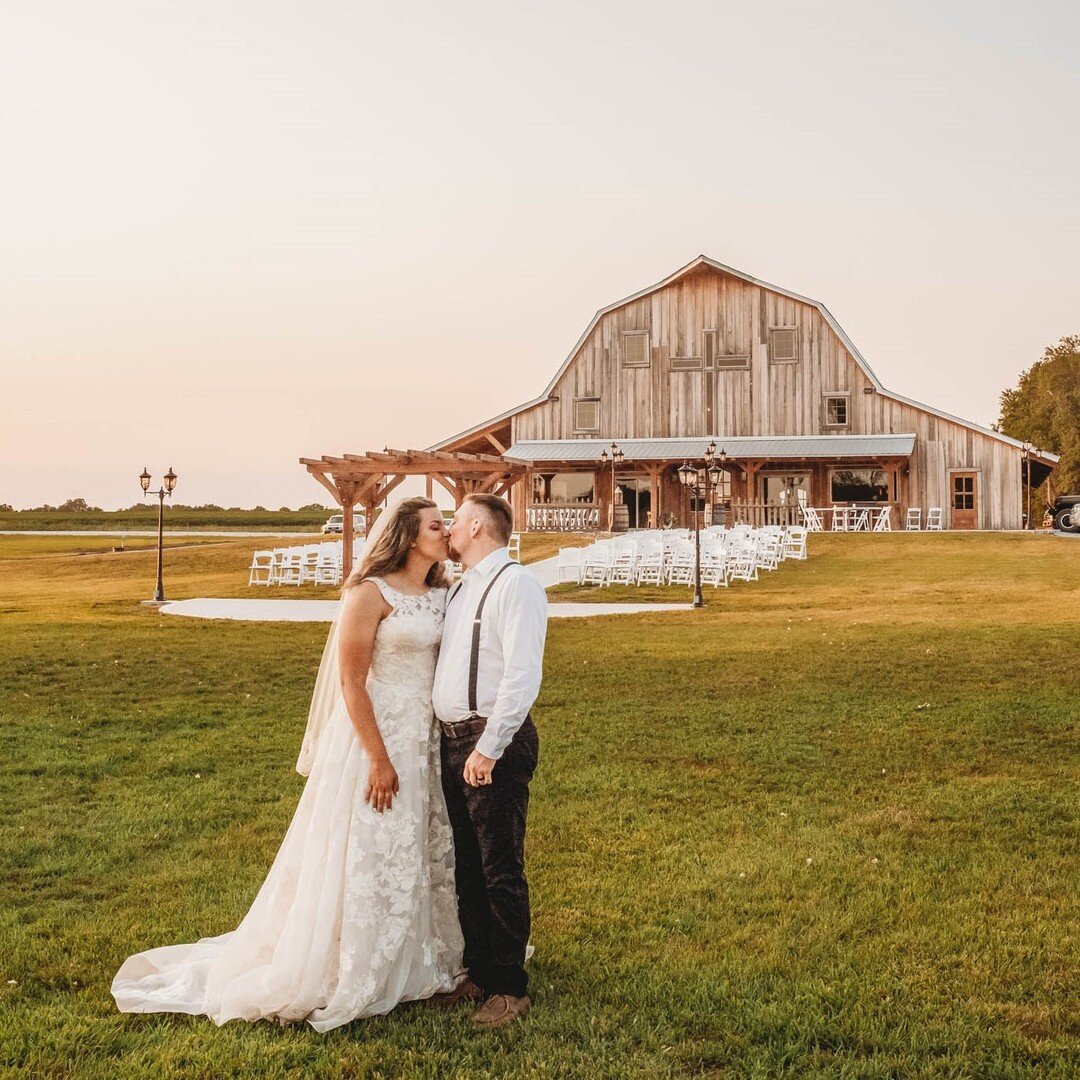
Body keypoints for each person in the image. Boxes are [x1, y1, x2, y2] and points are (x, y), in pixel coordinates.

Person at [111, 498, 465, 1030]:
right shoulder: (369, 593)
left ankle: (420, 954)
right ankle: (351, 961)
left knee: (420, 841)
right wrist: (378, 758)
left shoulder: (442, 592)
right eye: (437, 526)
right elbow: (351, 682)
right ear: (409, 537)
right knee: (372, 842)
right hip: (380, 735)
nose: (447, 532)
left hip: (426, 735)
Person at [432, 493, 548, 1028]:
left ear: (476, 526)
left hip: (490, 739)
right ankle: (479, 971)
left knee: (500, 866)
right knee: (468, 865)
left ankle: (509, 987)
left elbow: (521, 675)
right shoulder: (460, 589)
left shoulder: (516, 584)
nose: (449, 531)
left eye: (454, 522)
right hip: (453, 738)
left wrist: (489, 747)